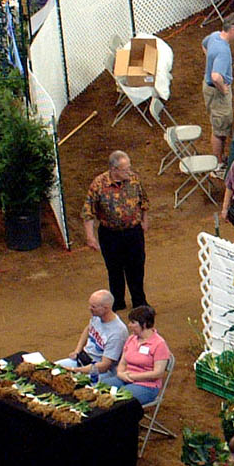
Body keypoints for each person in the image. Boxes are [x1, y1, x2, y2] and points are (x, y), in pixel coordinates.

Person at [83, 151, 148, 311]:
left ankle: (139, 302)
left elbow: (144, 201)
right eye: (125, 169)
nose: (129, 171)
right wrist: (90, 236)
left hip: (133, 232)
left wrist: (145, 221)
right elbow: (88, 212)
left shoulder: (134, 179)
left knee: (137, 267)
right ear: (114, 169)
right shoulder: (98, 184)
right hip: (110, 235)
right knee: (115, 269)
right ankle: (117, 302)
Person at [99, 304, 170, 404]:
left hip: (147, 385)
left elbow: (158, 373)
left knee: (120, 400)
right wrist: (120, 373)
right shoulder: (131, 339)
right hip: (125, 378)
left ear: (144, 324)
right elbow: (123, 362)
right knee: (101, 387)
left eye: (133, 322)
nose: (129, 325)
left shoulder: (159, 344)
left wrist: (133, 377)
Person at [201, 13, 234, 159]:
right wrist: (223, 88)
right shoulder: (223, 51)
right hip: (217, 92)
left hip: (210, 89)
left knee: (221, 125)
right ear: (232, 29)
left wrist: (210, 61)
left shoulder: (214, 36)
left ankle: (220, 158)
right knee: (220, 129)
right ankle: (218, 163)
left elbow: (204, 43)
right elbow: (215, 76)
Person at [63, 289, 127, 377]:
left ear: (106, 308)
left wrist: (77, 371)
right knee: (53, 369)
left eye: (93, 307)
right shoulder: (97, 316)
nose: (90, 308)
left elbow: (104, 366)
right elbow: (88, 329)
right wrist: (77, 351)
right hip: (83, 359)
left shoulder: (117, 333)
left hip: (100, 371)